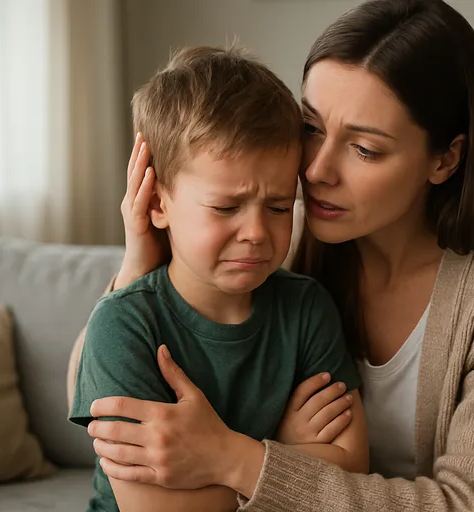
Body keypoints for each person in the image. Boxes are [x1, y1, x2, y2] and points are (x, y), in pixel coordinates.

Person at [68, 0, 474, 510]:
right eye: (312, 129)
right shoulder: (277, 237)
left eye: (364, 148)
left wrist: (240, 460)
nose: (317, 171)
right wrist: (141, 263)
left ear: (445, 159)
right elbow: (93, 394)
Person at [68, 46, 368, 512]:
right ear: (157, 204)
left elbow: (352, 466)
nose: (256, 233)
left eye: (278, 206)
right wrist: (283, 460)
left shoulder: (307, 307)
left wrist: (240, 464)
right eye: (226, 207)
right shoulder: (124, 325)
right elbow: (151, 509)